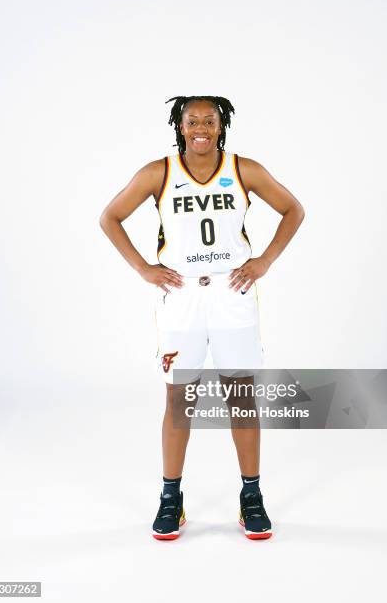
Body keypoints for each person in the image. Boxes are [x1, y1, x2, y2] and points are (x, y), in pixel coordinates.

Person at [99, 95, 305, 540]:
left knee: (241, 396)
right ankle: (170, 497)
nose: (201, 128)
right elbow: (110, 217)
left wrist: (264, 260)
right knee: (179, 400)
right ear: (179, 126)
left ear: (221, 126)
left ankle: (251, 494)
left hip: (232, 292)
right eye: (192, 120)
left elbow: (294, 210)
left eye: (209, 121)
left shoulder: (243, 169)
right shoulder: (159, 172)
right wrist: (144, 268)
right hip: (181, 294)